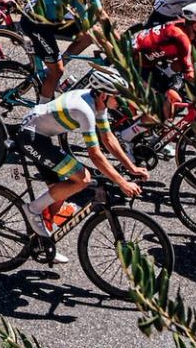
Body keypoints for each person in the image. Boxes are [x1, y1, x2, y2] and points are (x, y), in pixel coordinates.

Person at [17, 70, 146, 240]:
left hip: (40, 134)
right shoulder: (84, 110)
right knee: (82, 178)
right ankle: (32, 210)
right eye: (118, 96)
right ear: (103, 95)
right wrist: (122, 182)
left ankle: (41, 242)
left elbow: (108, 138)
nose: (121, 100)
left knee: (61, 191)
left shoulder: (96, 103)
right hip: (32, 137)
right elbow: (95, 155)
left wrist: (132, 167)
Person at [22, 0, 121, 100]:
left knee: (86, 38)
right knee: (57, 71)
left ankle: (53, 66)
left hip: (51, 18)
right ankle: (40, 114)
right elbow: (90, 28)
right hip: (35, 22)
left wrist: (123, 43)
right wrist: (113, 52)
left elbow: (102, 16)